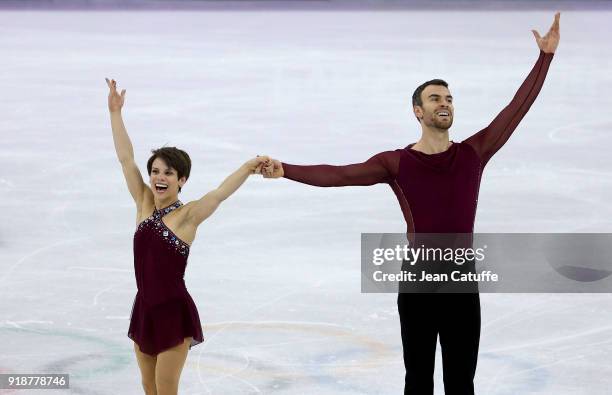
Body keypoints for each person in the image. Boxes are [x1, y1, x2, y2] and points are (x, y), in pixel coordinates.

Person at [262, 13, 560, 394]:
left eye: (449, 98)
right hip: (419, 280)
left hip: (460, 279)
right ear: (418, 111)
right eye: (435, 98)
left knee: (460, 382)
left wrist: (544, 58)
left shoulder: (473, 153)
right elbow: (338, 175)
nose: (444, 103)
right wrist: (285, 169)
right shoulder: (397, 163)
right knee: (418, 380)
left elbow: (516, 109)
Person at [105, 78, 269, 395]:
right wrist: (115, 114)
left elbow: (220, 193)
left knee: (166, 389)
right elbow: (126, 159)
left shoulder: (188, 216)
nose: (159, 178)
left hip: (173, 313)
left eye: (167, 173)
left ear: (182, 180)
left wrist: (247, 167)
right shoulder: (143, 202)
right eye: (155, 171)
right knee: (148, 387)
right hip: (144, 310)